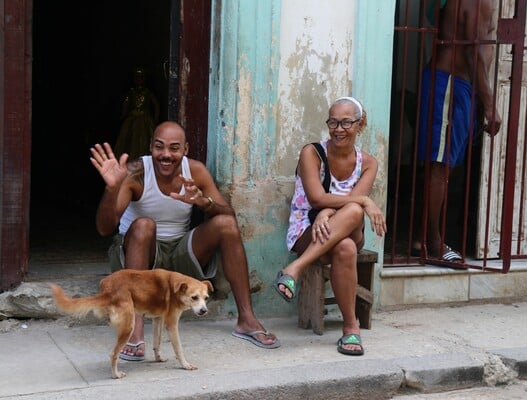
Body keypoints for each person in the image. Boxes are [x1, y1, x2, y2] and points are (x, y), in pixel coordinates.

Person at [90, 121, 280, 361]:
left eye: (174, 148)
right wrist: (112, 190)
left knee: (226, 225)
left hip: (179, 255)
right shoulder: (135, 172)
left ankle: (246, 319)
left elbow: (228, 214)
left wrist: (204, 203)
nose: (166, 155)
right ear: (151, 147)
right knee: (144, 225)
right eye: (159, 147)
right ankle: (134, 332)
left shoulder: (195, 171)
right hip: (139, 258)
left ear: (186, 149)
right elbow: (104, 228)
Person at [274, 97, 387, 356]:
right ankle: (351, 329)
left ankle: (295, 269)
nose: (338, 129)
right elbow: (315, 197)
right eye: (333, 122)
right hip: (307, 228)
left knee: (355, 213)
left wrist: (330, 210)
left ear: (361, 124)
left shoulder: (368, 163)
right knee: (345, 248)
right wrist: (332, 207)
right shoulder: (311, 153)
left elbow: (353, 209)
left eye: (346, 122)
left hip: (349, 225)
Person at [416, 0, 501, 261]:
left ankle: (425, 239)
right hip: (451, 85)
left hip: (455, 85)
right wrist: (489, 104)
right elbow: (472, 52)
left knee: (443, 166)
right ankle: (433, 244)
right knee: (440, 166)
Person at [114, 67, 160, 160]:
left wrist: (156, 119)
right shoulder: (131, 92)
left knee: (146, 140)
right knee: (130, 140)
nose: (139, 80)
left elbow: (156, 105)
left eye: (141, 77)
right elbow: (125, 105)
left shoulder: (148, 92)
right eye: (137, 77)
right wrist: (123, 115)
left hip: (145, 119)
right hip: (132, 119)